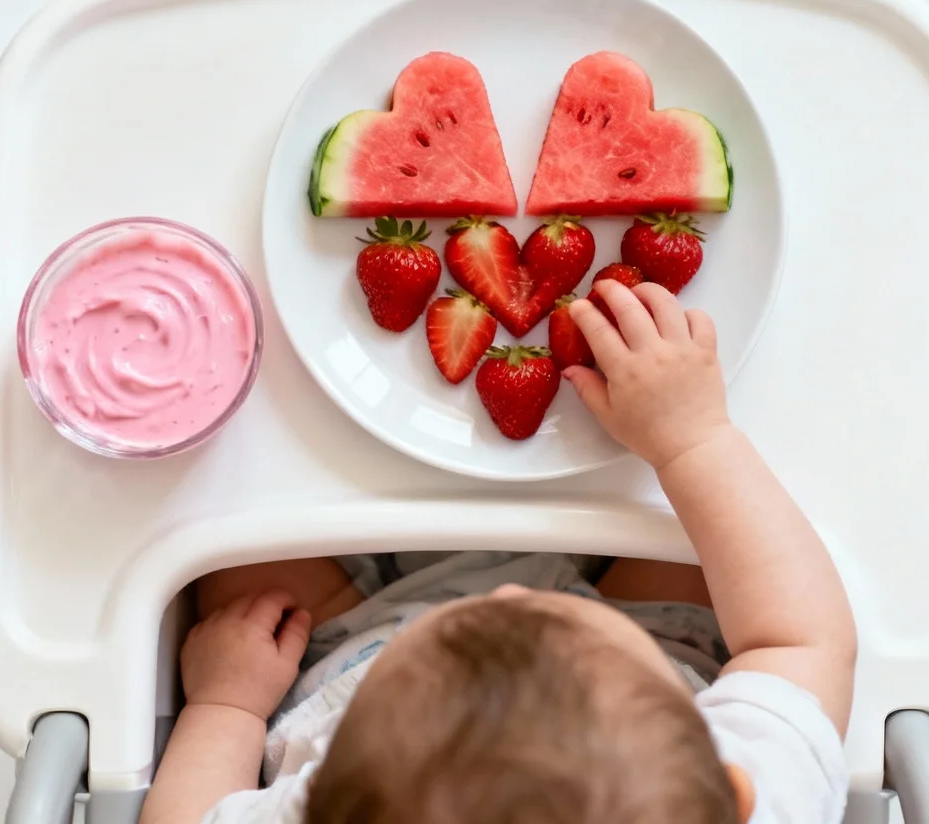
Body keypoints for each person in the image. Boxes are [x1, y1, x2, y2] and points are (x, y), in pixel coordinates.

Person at [138, 281, 857, 824]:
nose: (510, 600)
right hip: (657, 634)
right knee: (714, 555)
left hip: (344, 658)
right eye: (533, 611)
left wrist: (228, 704)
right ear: (733, 797)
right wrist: (693, 439)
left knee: (235, 562)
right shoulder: (743, 800)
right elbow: (798, 638)